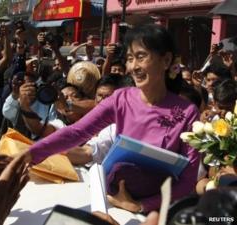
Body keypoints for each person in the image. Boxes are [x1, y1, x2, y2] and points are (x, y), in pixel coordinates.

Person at [25, 24, 200, 213]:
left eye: (140, 57)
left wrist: (142, 206)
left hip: (154, 214)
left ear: (165, 60)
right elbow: (76, 132)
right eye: (130, 59)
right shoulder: (121, 98)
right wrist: (29, 156)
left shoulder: (188, 112)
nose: (133, 67)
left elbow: (188, 181)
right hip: (110, 202)